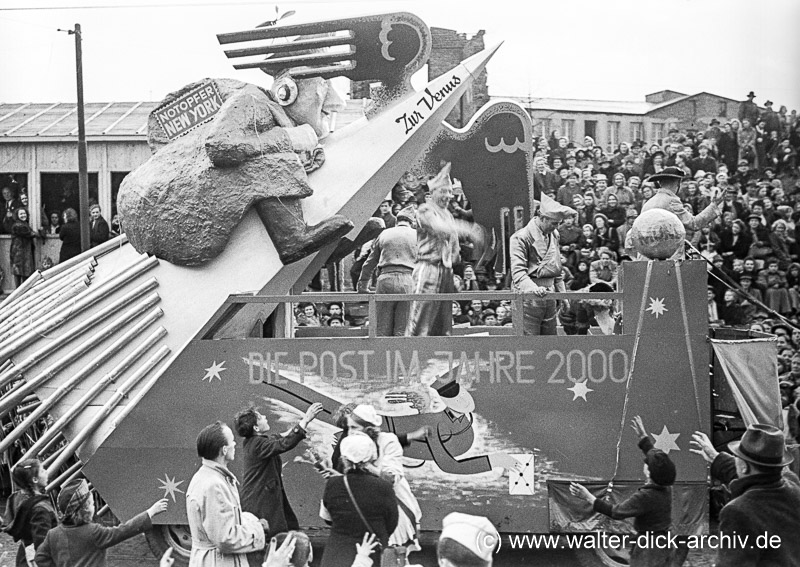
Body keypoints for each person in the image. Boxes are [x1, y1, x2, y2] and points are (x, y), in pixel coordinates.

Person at [570, 416, 676, 567]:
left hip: (648, 551)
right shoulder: (666, 486)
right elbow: (655, 457)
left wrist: (587, 496)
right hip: (663, 544)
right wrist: (643, 437)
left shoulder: (646, 496)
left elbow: (616, 512)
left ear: (648, 473)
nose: (645, 463)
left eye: (647, 464)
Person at [690, 424, 800, 567]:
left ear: (744, 466)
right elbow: (758, 477)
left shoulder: (737, 512)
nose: (734, 458)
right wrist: (717, 458)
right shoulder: (793, 485)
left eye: (737, 456)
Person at [235, 403, 323, 567]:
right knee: (269, 538)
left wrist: (302, 422)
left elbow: (282, 437)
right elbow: (284, 444)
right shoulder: (257, 444)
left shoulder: (256, 441)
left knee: (282, 532)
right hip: (260, 502)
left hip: (264, 498)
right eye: (261, 417)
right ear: (256, 427)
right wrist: (306, 419)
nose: (266, 417)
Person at [406, 163, 481, 337]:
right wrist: (469, 229)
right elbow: (440, 228)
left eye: (450, 192)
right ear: (432, 193)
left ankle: (438, 358)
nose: (448, 196)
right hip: (428, 267)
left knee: (443, 319)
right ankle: (412, 354)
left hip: (445, 269)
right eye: (443, 191)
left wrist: (454, 259)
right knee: (420, 314)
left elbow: (453, 243)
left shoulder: (447, 214)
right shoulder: (425, 210)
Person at [185, 421, 267, 567]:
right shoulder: (214, 485)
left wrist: (250, 521)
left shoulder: (205, 477)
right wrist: (258, 530)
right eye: (232, 441)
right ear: (224, 450)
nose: (235, 444)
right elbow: (225, 539)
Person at [35, 478, 168, 566]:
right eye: (92, 504)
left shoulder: (52, 535)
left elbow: (40, 558)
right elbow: (124, 530)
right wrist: (150, 512)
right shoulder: (93, 532)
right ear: (85, 510)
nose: (94, 506)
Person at [347, 405, 422, 551]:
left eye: (354, 428)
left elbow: (391, 479)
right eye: (348, 428)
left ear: (368, 430)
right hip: (365, 507)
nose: (350, 433)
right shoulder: (350, 442)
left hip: (393, 506)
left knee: (392, 556)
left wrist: (366, 465)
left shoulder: (388, 442)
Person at [319, 432, 398, 567]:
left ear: (344, 458)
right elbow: (392, 522)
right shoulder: (384, 487)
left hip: (337, 555)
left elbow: (326, 517)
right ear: (371, 457)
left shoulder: (333, 484)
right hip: (373, 552)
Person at [509, 196, 576, 335]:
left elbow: (556, 269)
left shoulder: (554, 234)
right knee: (529, 342)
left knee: (549, 341)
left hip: (549, 295)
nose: (556, 227)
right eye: (553, 223)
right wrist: (534, 289)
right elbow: (518, 274)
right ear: (542, 218)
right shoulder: (520, 237)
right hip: (527, 296)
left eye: (558, 223)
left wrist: (562, 296)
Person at [357, 206, 417, 336]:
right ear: (412, 222)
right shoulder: (417, 235)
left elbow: (369, 263)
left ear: (397, 221)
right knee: (402, 329)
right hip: (407, 280)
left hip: (385, 279)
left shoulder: (384, 234)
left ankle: (381, 355)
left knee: (381, 329)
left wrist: (362, 286)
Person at [640, 166, 723, 259]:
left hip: (646, 256)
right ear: (677, 184)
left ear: (660, 183)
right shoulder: (671, 201)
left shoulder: (648, 202)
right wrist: (713, 206)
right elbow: (694, 223)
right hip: (668, 257)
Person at [1, 459, 57, 567]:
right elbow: (42, 545)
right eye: (42, 471)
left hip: (24, 556)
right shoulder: (40, 509)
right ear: (35, 479)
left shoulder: (16, 499)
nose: (46, 472)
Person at [9, 208, 36, 287]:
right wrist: (39, 233)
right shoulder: (18, 225)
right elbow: (30, 233)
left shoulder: (24, 224)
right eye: (21, 214)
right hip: (18, 252)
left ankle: (22, 292)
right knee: (19, 272)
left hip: (24, 251)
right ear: (17, 215)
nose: (23, 215)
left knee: (24, 272)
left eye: (24, 213)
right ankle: (18, 293)